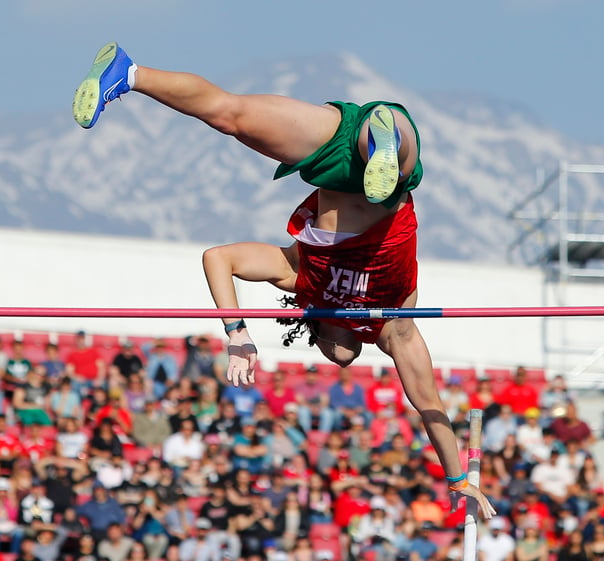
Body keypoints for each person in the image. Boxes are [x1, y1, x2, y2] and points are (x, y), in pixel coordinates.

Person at [73, 41, 494, 519]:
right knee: (389, 168)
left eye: (327, 352)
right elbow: (428, 406)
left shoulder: (300, 279)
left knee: (228, 116)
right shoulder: (395, 329)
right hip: (378, 175)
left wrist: (237, 334)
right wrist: (457, 479)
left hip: (334, 158)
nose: (339, 360)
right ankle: (126, 73)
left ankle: (132, 74)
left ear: (314, 329)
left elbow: (219, 258)